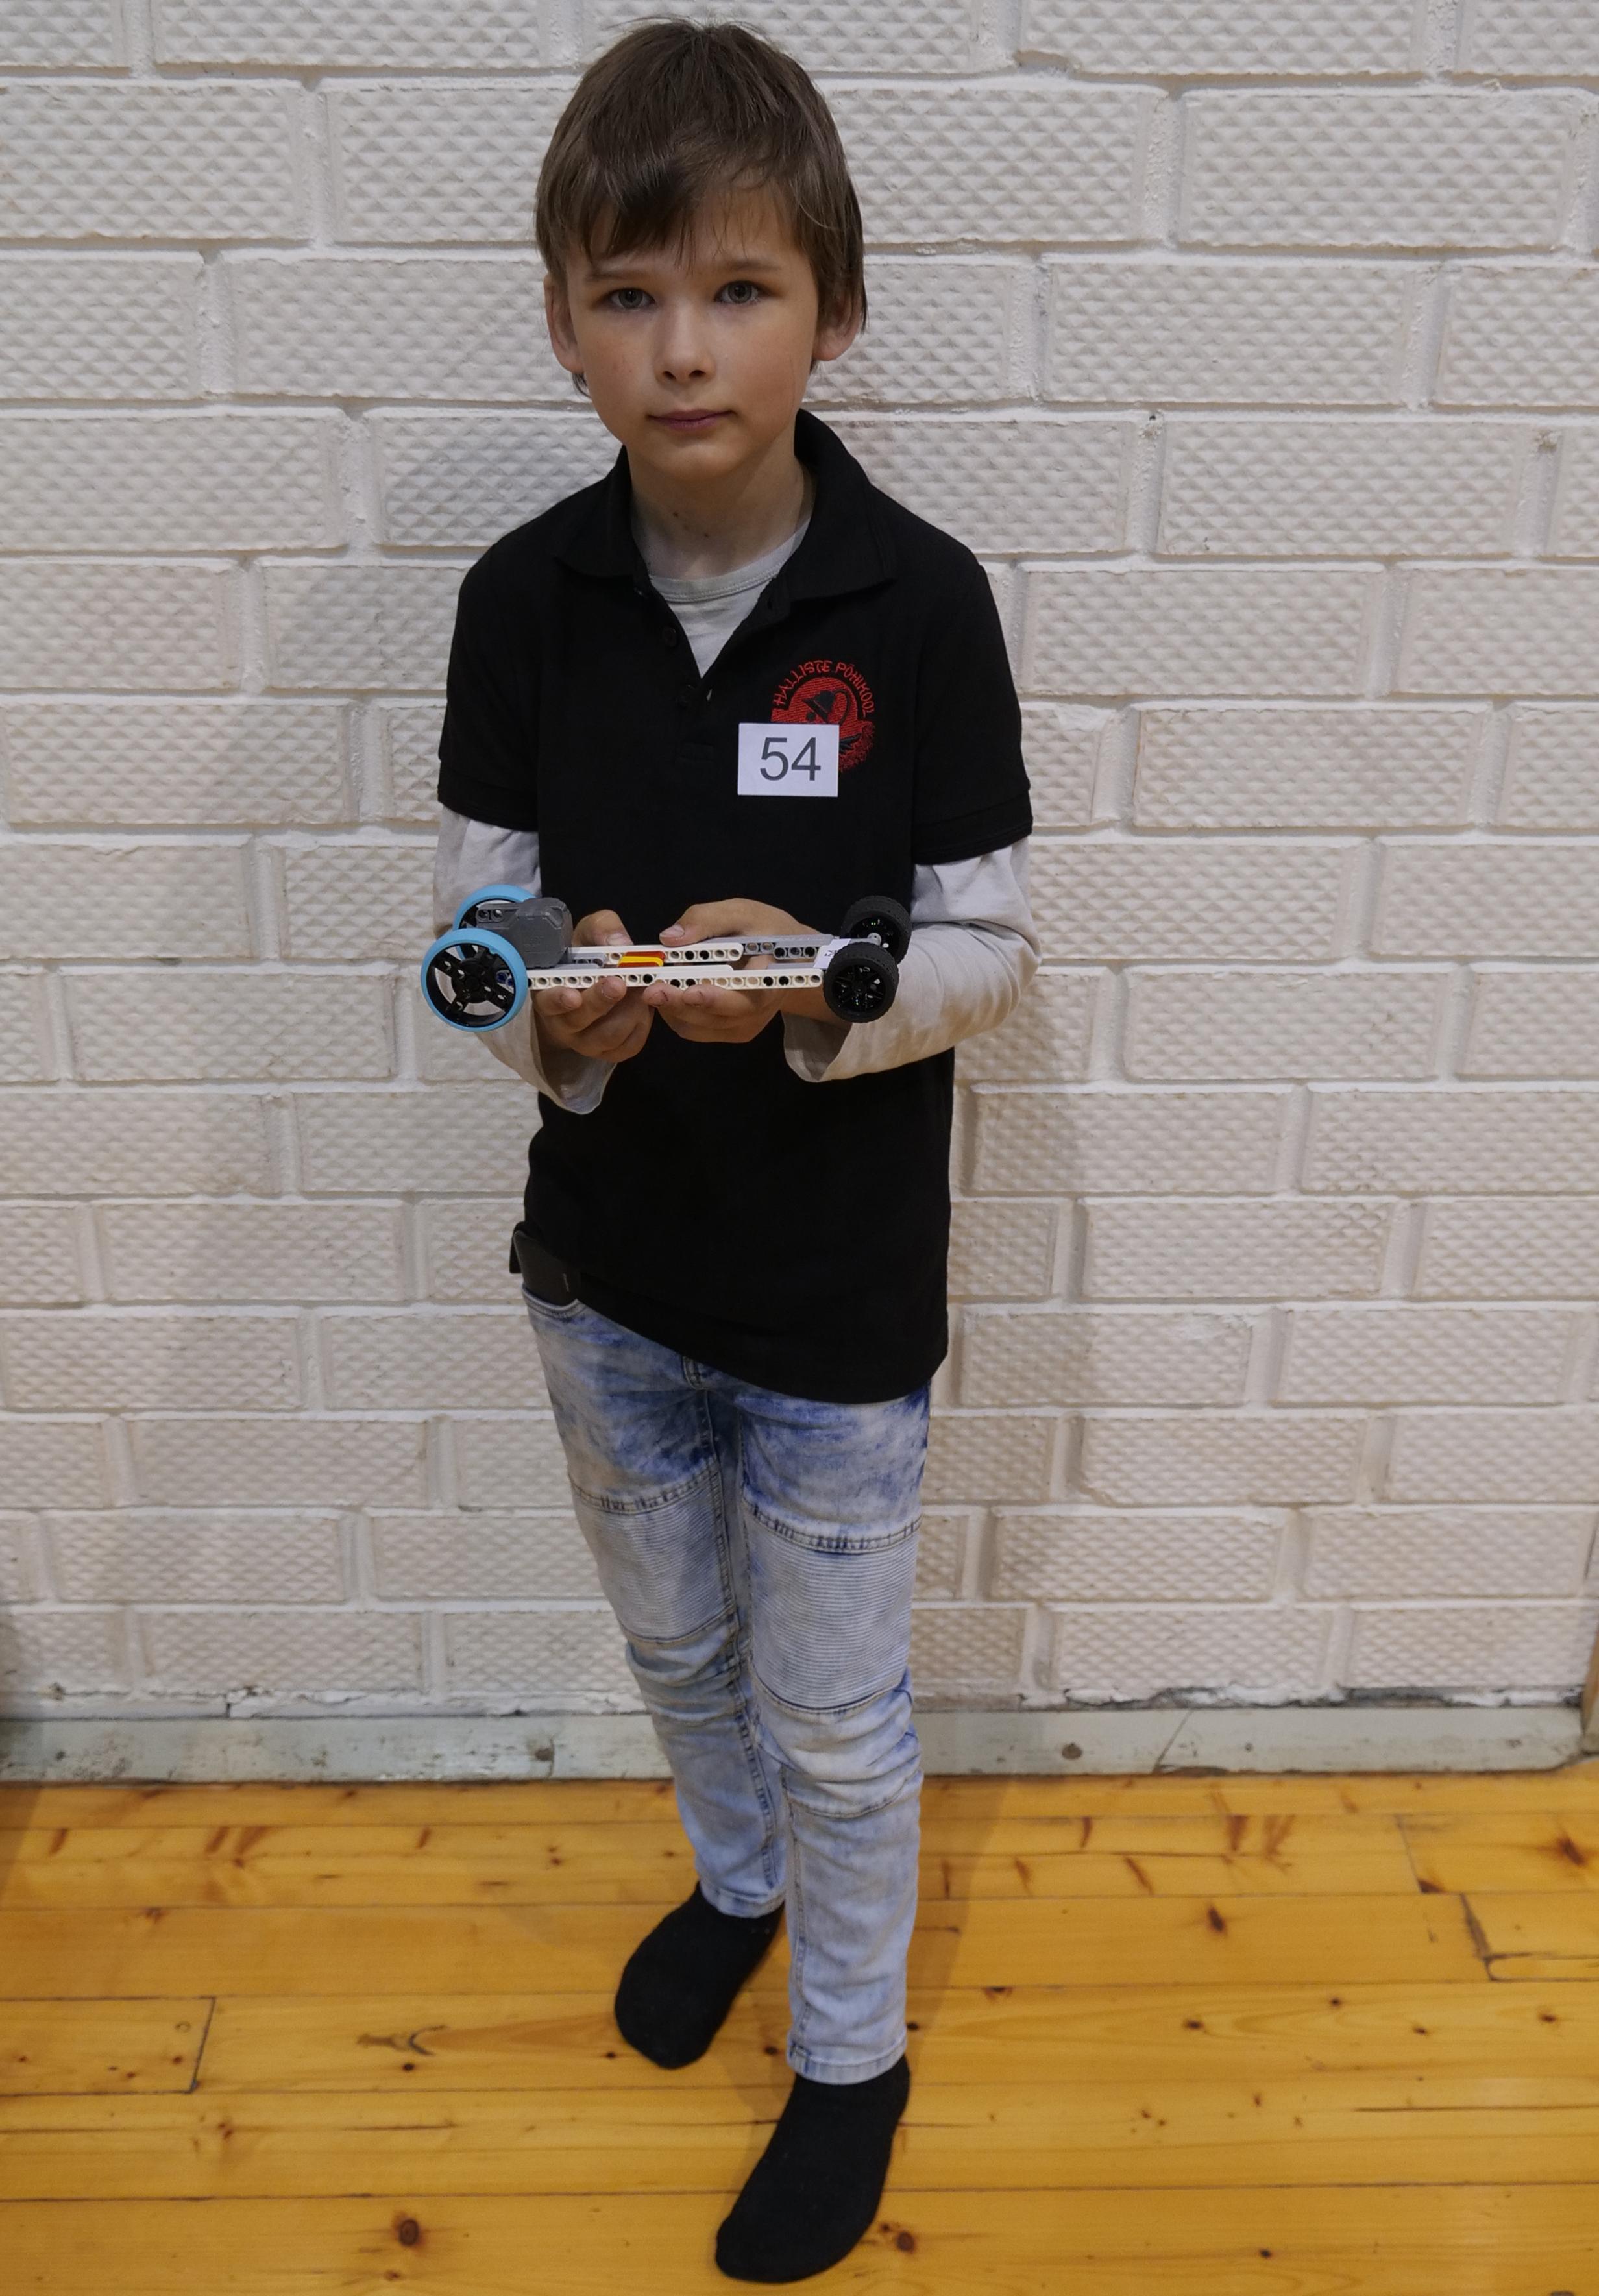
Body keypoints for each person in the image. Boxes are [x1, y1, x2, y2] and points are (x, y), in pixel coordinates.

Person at [432, 19, 1038, 2281]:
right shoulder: (521, 598)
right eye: (629, 293)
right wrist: (550, 1005)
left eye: (740, 288)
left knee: (839, 1714)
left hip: (837, 1301)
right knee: (681, 1654)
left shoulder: (922, 599)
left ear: (834, 311)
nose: (683, 348)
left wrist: (814, 985)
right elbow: (474, 928)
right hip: (603, 1271)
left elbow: (990, 945)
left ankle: (853, 2054)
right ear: (564, 322)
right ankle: (738, 1882)